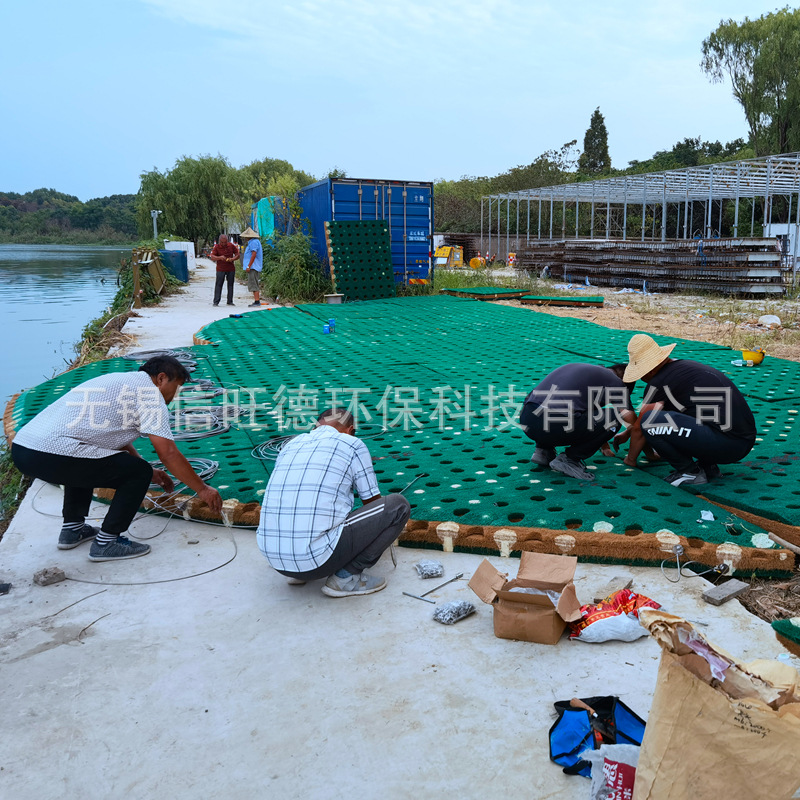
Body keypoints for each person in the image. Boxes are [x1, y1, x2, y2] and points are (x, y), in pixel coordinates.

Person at [11, 356, 223, 561]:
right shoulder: (149, 395)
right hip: (51, 452)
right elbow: (167, 453)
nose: (174, 396)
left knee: (86, 457)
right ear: (161, 378)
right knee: (137, 472)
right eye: (176, 388)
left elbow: (109, 438)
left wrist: (151, 470)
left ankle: (72, 530)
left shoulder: (121, 382)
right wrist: (202, 489)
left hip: (23, 450)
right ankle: (106, 543)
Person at [257, 408, 411, 597]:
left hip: (275, 560)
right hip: (318, 562)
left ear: (317, 425)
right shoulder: (352, 444)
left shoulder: (291, 444)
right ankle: (346, 578)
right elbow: (372, 503)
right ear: (350, 430)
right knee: (397, 507)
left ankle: (297, 572)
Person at [616, 334, 756, 488]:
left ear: (649, 370)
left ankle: (690, 471)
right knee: (677, 415)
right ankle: (707, 466)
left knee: (652, 421)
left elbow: (643, 425)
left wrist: (630, 460)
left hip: (726, 444)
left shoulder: (659, 381)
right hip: (742, 442)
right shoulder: (684, 368)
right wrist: (629, 432)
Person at [519, 363, 634, 481]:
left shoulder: (588, 372)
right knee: (615, 416)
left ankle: (543, 451)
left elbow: (590, 411)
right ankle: (570, 459)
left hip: (527, 420)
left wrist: (603, 444)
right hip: (555, 426)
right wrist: (630, 434)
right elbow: (631, 419)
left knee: (560, 408)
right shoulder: (616, 382)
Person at [210, 233, 240, 306]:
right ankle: (216, 301)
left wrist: (232, 259)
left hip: (230, 268)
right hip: (220, 269)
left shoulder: (231, 245)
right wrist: (219, 257)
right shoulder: (216, 247)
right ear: (219, 241)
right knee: (219, 285)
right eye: (222, 242)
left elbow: (238, 254)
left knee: (230, 285)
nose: (223, 244)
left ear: (227, 241)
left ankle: (230, 301)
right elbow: (212, 257)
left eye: (225, 242)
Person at [240, 227, 263, 307]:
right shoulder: (252, 242)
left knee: (254, 284)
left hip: (253, 267)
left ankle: (257, 301)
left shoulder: (253, 242)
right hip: (253, 266)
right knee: (253, 283)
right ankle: (256, 301)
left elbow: (254, 254)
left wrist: (249, 266)